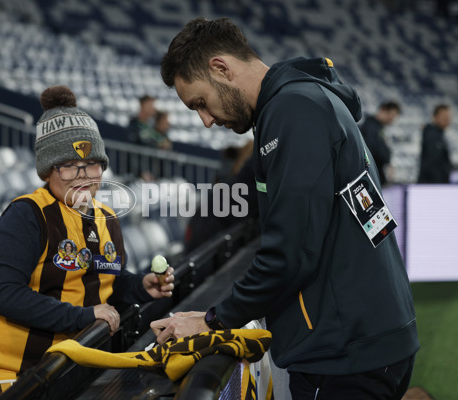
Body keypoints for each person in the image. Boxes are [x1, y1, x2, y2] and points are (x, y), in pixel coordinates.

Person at [151, 17, 418, 400]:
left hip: (344, 351)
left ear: (221, 68)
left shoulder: (290, 111)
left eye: (200, 103)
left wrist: (213, 320)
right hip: (366, 336)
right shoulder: (303, 101)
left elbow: (290, 251)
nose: (205, 121)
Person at [0, 85, 174, 399]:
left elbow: (104, 284)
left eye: (93, 164)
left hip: (77, 370)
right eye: (68, 165)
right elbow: (2, 293)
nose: (83, 176)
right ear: (47, 170)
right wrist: (82, 317)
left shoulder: (106, 216)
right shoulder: (25, 216)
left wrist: (140, 286)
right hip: (16, 379)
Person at [359, 101, 401, 186]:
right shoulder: (371, 126)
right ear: (383, 110)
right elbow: (373, 149)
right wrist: (386, 157)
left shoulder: (377, 127)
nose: (391, 120)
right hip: (370, 174)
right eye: (391, 116)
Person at [417, 104, 453, 183]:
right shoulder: (431, 133)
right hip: (432, 184)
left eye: (448, 116)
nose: (447, 119)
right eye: (444, 116)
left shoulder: (439, 134)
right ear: (435, 117)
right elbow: (432, 162)